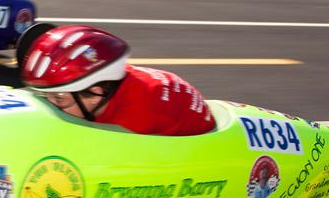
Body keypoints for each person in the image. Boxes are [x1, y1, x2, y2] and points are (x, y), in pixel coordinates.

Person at [20, 25, 215, 136]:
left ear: (95, 94)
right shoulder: (103, 83)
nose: (50, 104)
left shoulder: (137, 116)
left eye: (59, 98)